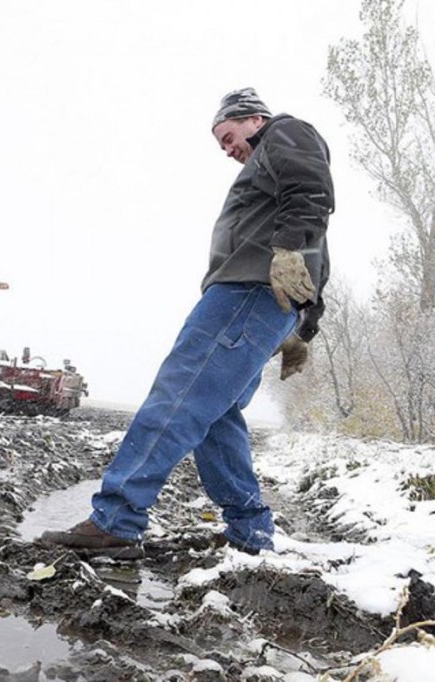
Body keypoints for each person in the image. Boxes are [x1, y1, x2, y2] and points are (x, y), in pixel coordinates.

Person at [40, 87, 333, 558]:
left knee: (179, 394)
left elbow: (312, 191)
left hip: (246, 292)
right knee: (215, 415)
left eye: (228, 134)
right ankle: (250, 530)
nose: (227, 147)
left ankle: (117, 518)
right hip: (262, 299)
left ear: (255, 119)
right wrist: (304, 325)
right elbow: (317, 239)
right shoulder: (275, 166)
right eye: (220, 143)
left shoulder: (285, 133)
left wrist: (285, 250)